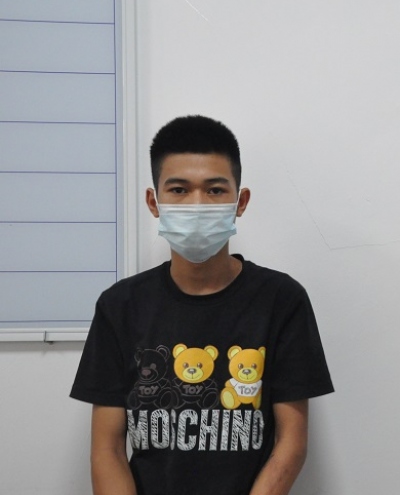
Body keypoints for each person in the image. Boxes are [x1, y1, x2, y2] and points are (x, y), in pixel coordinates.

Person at [71, 115, 334, 495]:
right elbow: (107, 448)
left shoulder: (281, 300)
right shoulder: (121, 305)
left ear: (240, 202)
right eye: (179, 190)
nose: (197, 205)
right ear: (154, 202)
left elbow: (290, 442)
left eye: (215, 190)